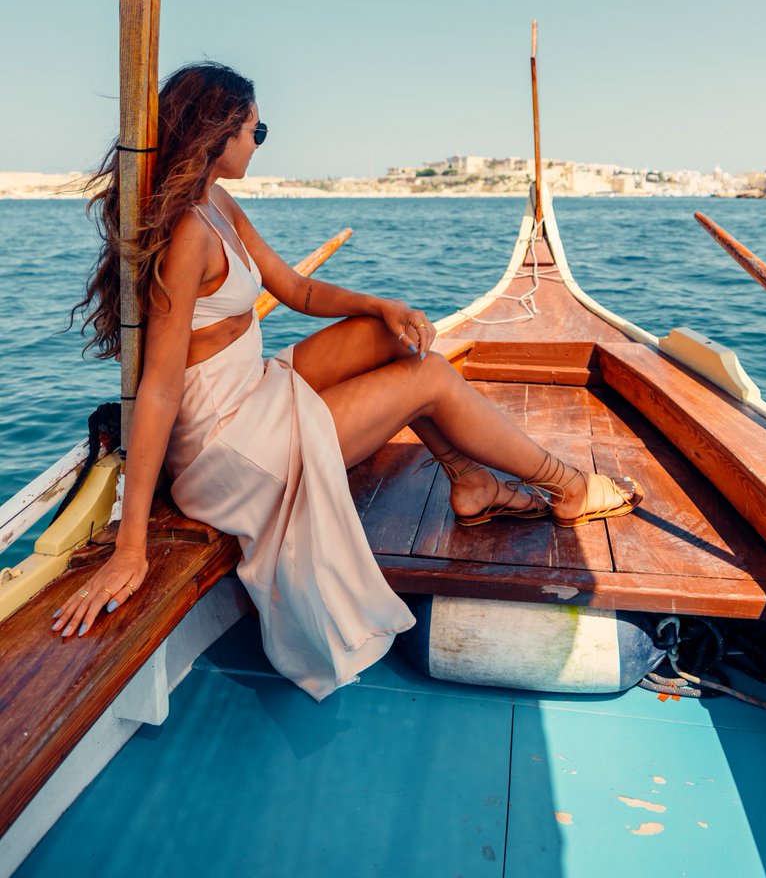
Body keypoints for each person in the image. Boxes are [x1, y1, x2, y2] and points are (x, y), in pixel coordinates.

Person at [52, 63, 642, 698]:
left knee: (394, 338)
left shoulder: (216, 202)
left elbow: (297, 288)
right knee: (432, 379)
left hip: (252, 388)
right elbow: (161, 390)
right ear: (217, 134)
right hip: (229, 446)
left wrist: (381, 305)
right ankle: (566, 486)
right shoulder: (189, 235)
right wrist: (131, 544)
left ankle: (470, 480)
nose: (258, 141)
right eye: (257, 129)